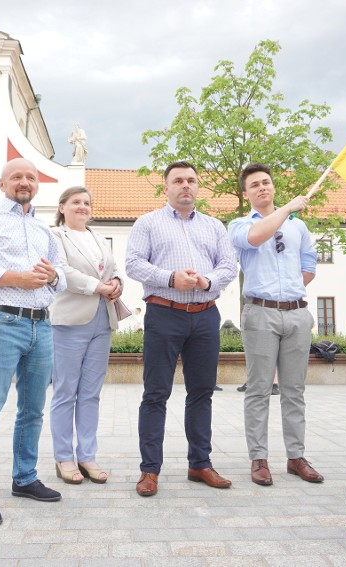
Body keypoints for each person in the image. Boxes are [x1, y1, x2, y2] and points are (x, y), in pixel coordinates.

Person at [0, 158, 67, 526]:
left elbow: (61, 277)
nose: (25, 181)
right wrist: (17, 278)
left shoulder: (44, 230)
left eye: (31, 177)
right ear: (3, 183)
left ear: (37, 185)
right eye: (17, 176)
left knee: (33, 411)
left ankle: (24, 478)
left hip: (42, 326)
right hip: (3, 321)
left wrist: (53, 275)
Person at [125, 160, 238, 497]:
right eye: (178, 180)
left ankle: (199, 463)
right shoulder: (147, 223)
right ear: (166, 187)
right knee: (156, 393)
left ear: (198, 186)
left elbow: (229, 266)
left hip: (205, 315)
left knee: (202, 392)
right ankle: (149, 470)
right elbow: (133, 263)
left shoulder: (215, 226)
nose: (185, 185)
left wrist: (208, 281)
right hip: (164, 313)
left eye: (191, 180)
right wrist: (170, 277)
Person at [228, 162, 324, 487]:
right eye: (254, 185)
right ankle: (259, 458)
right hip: (259, 312)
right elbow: (256, 238)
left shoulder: (299, 227)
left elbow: (309, 263)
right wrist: (287, 208)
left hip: (297, 313)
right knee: (258, 389)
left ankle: (296, 457)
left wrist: (293, 290)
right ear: (246, 194)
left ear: (273, 185)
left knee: (294, 390)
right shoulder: (239, 225)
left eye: (266, 182)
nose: (262, 188)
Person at [50, 186, 125, 485]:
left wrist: (117, 281)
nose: (83, 207)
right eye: (76, 202)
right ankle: (64, 457)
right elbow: (61, 271)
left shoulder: (96, 237)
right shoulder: (55, 236)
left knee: (91, 393)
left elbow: (112, 268)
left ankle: (87, 456)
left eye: (87, 203)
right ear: (62, 207)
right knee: (66, 391)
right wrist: (97, 286)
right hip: (69, 321)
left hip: (101, 321)